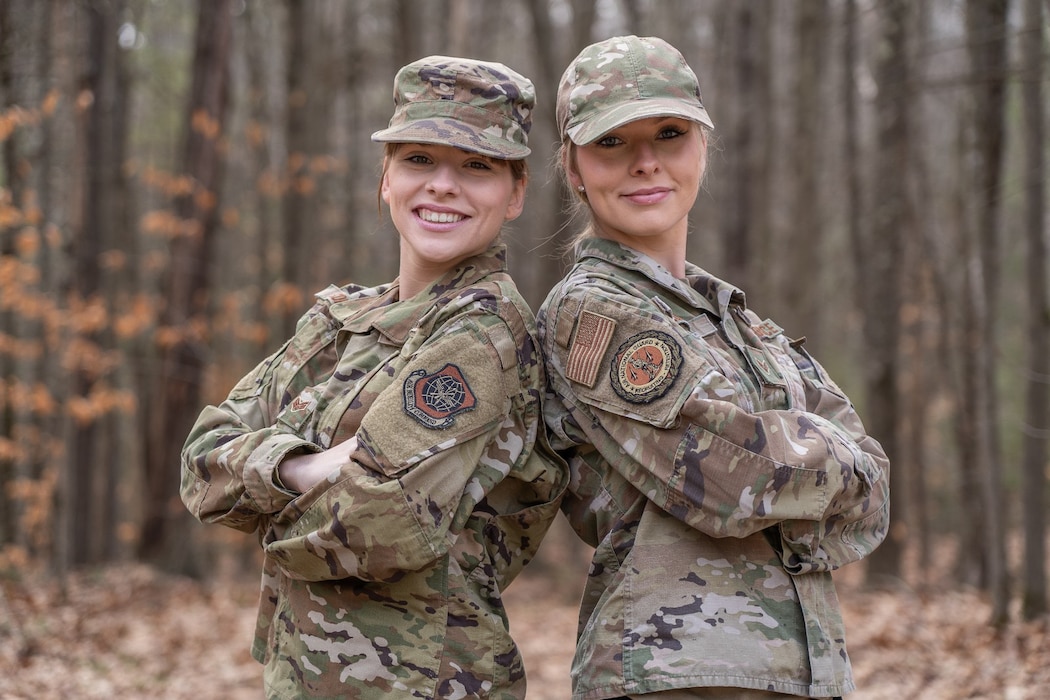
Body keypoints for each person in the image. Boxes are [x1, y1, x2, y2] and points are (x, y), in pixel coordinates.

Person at [181, 55, 566, 699]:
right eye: (419, 159)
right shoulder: (344, 322)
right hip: (306, 674)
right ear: (385, 178)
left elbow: (373, 526)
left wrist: (257, 504)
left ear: (516, 192)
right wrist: (304, 467)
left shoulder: (484, 333)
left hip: (422, 679)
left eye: (477, 166)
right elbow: (199, 459)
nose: (443, 186)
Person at [537, 35, 890, 700]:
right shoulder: (592, 313)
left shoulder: (737, 320)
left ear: (704, 148)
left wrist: (811, 459)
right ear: (573, 167)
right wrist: (820, 457)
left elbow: (876, 481)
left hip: (800, 671)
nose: (646, 163)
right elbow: (734, 477)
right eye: (612, 142)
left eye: (669, 133)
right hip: (674, 675)